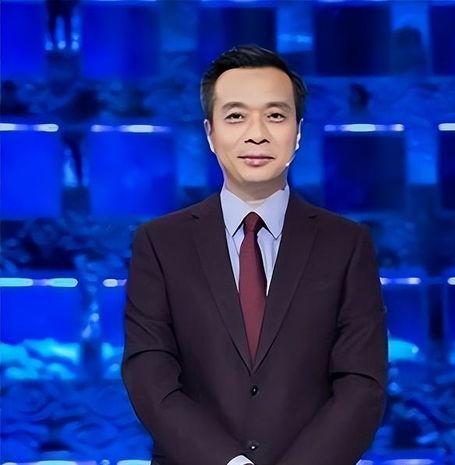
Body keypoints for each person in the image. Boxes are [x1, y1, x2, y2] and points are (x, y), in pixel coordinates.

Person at [121, 45, 388, 465]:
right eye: (236, 116)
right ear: (210, 133)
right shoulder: (159, 243)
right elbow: (149, 374)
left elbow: (361, 385)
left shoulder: (347, 244)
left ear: (298, 132)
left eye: (276, 115)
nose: (256, 133)